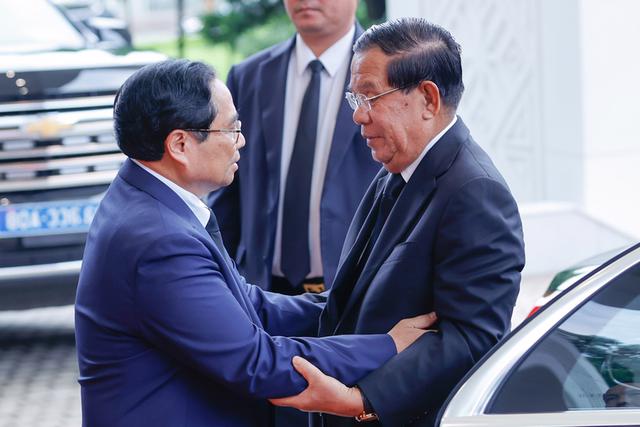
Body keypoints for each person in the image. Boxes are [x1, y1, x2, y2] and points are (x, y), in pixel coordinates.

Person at [74, 59, 435, 427]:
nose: (241, 141)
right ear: (180, 144)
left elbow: (247, 304)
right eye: (230, 129)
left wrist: (353, 306)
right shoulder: (158, 241)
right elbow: (257, 363)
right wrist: (388, 345)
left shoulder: (147, 200)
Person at [270, 17, 526, 426]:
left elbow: (473, 338)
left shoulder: (475, 192)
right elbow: (349, 301)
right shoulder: (398, 169)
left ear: (428, 99)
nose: (359, 117)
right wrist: (247, 304)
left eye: (371, 97)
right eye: (355, 100)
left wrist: (360, 400)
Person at [208, 0, 379, 296]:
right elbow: (227, 190)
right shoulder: (249, 76)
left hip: (355, 291)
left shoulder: (390, 78)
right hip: (261, 291)